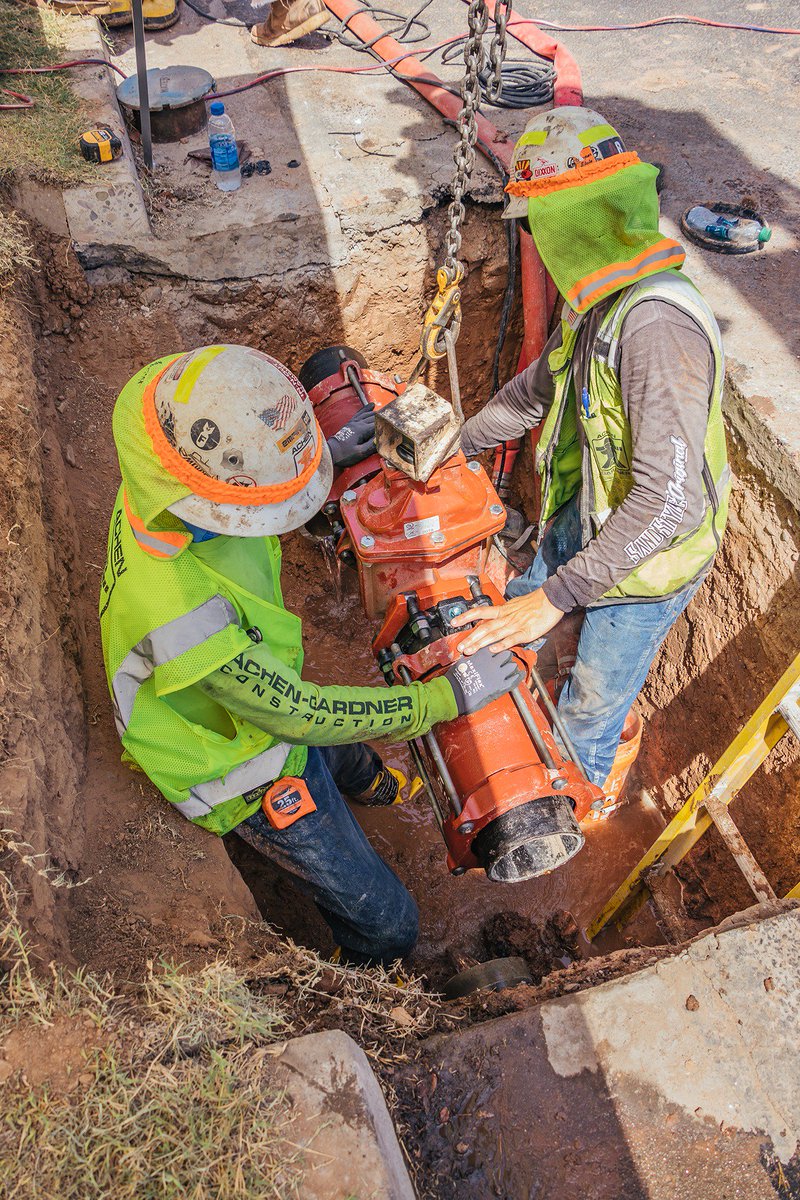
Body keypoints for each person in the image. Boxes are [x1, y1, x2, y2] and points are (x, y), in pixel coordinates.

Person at [99, 345, 521, 964]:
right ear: (218, 503)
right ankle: (358, 987)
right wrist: (444, 696)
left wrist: (320, 459)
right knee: (391, 926)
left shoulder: (164, 472)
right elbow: (297, 714)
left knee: (350, 759)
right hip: (235, 765)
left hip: (261, 695)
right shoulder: (176, 614)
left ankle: (378, 786)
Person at [452, 106, 729, 801]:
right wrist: (451, 448)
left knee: (588, 712)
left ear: (571, 220)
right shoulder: (598, 293)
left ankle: (582, 807)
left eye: (537, 224)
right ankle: (524, 720)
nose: (535, 241)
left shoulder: (654, 328)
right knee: (519, 609)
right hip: (604, 511)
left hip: (655, 552)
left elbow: (671, 499)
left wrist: (560, 596)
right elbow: (532, 393)